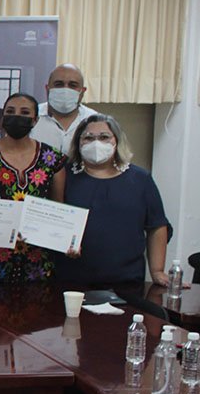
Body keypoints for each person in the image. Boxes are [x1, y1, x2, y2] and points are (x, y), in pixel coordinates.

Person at [59, 114, 173, 289]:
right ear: (78, 143)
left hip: (127, 280)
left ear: (117, 141)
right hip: (72, 278)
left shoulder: (140, 179)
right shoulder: (63, 176)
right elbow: (52, 218)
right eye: (88, 138)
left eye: (104, 137)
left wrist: (157, 271)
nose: (96, 143)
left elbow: (157, 226)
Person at [0, 92, 68, 282]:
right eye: (10, 111)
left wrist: (66, 239)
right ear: (3, 117)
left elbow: (59, 207)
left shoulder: (53, 159)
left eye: (24, 112)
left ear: (35, 120)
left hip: (40, 261)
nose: (16, 116)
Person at [31, 63, 99, 155]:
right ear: (47, 89)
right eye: (59, 84)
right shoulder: (31, 116)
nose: (65, 90)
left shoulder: (95, 120)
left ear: (82, 91)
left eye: (73, 85)